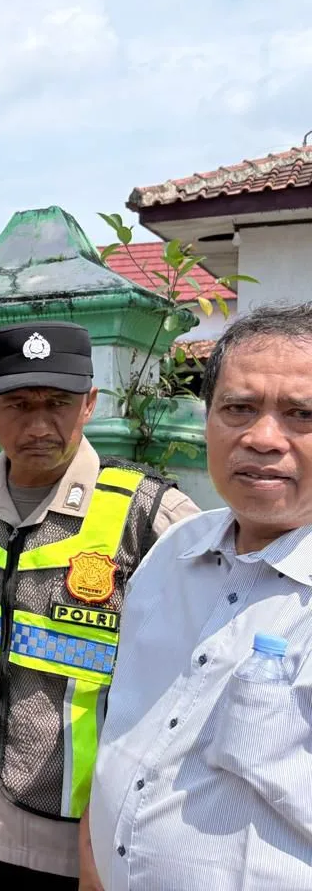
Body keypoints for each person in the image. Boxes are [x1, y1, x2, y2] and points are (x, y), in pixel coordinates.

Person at [0, 322, 199, 890]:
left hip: (78, 842)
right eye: (17, 404)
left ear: (89, 404)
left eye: (59, 403)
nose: (39, 425)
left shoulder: (149, 516)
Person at [87, 304, 312, 891]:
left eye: (302, 414)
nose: (263, 438)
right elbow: (125, 732)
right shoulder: (173, 549)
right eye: (238, 408)